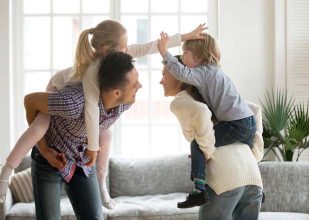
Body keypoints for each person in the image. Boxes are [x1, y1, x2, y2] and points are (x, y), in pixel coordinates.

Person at [0, 19, 207, 209]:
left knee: (107, 134)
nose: (128, 50)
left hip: (80, 118)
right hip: (57, 88)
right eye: (124, 46)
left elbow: (149, 46)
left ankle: (101, 184)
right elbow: (90, 109)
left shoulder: (117, 58)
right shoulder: (91, 72)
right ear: (107, 49)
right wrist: (92, 148)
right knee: (39, 128)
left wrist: (185, 36)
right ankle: (7, 171)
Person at [24, 51, 139, 220]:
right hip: (50, 158)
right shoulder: (72, 103)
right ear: (116, 93)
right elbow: (30, 101)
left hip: (82, 160)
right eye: (135, 83)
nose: (140, 86)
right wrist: (45, 150)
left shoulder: (125, 103)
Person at [157, 32, 257, 208]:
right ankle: (258, 191)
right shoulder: (216, 71)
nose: (184, 58)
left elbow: (181, 72)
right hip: (248, 121)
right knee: (246, 154)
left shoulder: (201, 73)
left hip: (235, 124)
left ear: (198, 57)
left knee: (198, 145)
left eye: (185, 53)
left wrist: (164, 52)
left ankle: (199, 191)